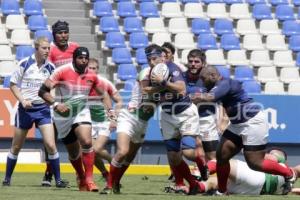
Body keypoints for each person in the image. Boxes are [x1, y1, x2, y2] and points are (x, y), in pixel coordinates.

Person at [192, 66, 297, 195]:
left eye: (204, 79)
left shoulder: (225, 83)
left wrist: (188, 98)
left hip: (253, 122)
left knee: (255, 163)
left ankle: (289, 173)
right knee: (222, 156)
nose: (202, 82)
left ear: (212, 76)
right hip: (238, 124)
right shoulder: (218, 85)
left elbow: (210, 98)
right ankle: (222, 191)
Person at [38, 47, 114, 192]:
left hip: (81, 110)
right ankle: (81, 177)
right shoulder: (61, 71)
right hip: (62, 115)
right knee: (73, 153)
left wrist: (110, 110)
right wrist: (55, 104)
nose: (84, 61)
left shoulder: (91, 75)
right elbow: (42, 91)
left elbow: (104, 94)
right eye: (80, 58)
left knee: (86, 141)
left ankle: (90, 180)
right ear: (74, 58)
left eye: (86, 58)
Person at [2, 37, 68, 188]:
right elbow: (13, 85)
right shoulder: (25, 64)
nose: (47, 51)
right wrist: (23, 100)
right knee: (16, 146)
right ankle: (7, 179)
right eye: (44, 48)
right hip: (25, 110)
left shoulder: (50, 67)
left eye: (48, 49)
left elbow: (53, 88)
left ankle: (57, 180)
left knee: (51, 144)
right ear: (36, 48)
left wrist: (52, 100)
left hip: (43, 109)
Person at [144, 44, 207, 195]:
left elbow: (181, 89)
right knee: (173, 158)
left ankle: (202, 165)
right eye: (149, 60)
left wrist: (163, 83)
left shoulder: (172, 68)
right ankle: (193, 185)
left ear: (161, 57)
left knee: (188, 152)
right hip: (167, 115)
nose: (152, 62)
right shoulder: (149, 73)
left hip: (185, 113)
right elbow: (145, 91)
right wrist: (159, 91)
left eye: (154, 59)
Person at [100, 67, 157, 194]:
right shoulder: (146, 73)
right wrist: (166, 88)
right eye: (152, 58)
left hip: (143, 123)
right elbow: (146, 90)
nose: (154, 61)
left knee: (129, 157)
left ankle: (116, 183)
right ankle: (108, 185)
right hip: (129, 117)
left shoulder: (167, 77)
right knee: (123, 151)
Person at [41, 20, 79, 186]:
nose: (63, 35)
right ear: (54, 34)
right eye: (60, 33)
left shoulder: (75, 48)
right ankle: (48, 174)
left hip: (74, 99)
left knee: (79, 136)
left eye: (65, 32)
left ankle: (82, 174)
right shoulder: (51, 50)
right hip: (55, 100)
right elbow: (47, 76)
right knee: (51, 139)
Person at [197, 148, 300, 195]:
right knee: (214, 181)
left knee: (221, 161)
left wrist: (249, 149)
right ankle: (195, 188)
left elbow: (271, 158)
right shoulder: (287, 188)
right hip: (254, 191)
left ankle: (199, 173)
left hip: (255, 177)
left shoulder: (281, 159)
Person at [87, 58, 122, 182]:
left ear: (98, 70)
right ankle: (105, 174)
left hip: (103, 122)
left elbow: (119, 101)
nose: (92, 70)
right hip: (88, 123)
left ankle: (113, 160)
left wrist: (114, 119)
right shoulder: (81, 83)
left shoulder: (105, 83)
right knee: (90, 151)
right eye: (89, 68)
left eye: (94, 68)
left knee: (96, 149)